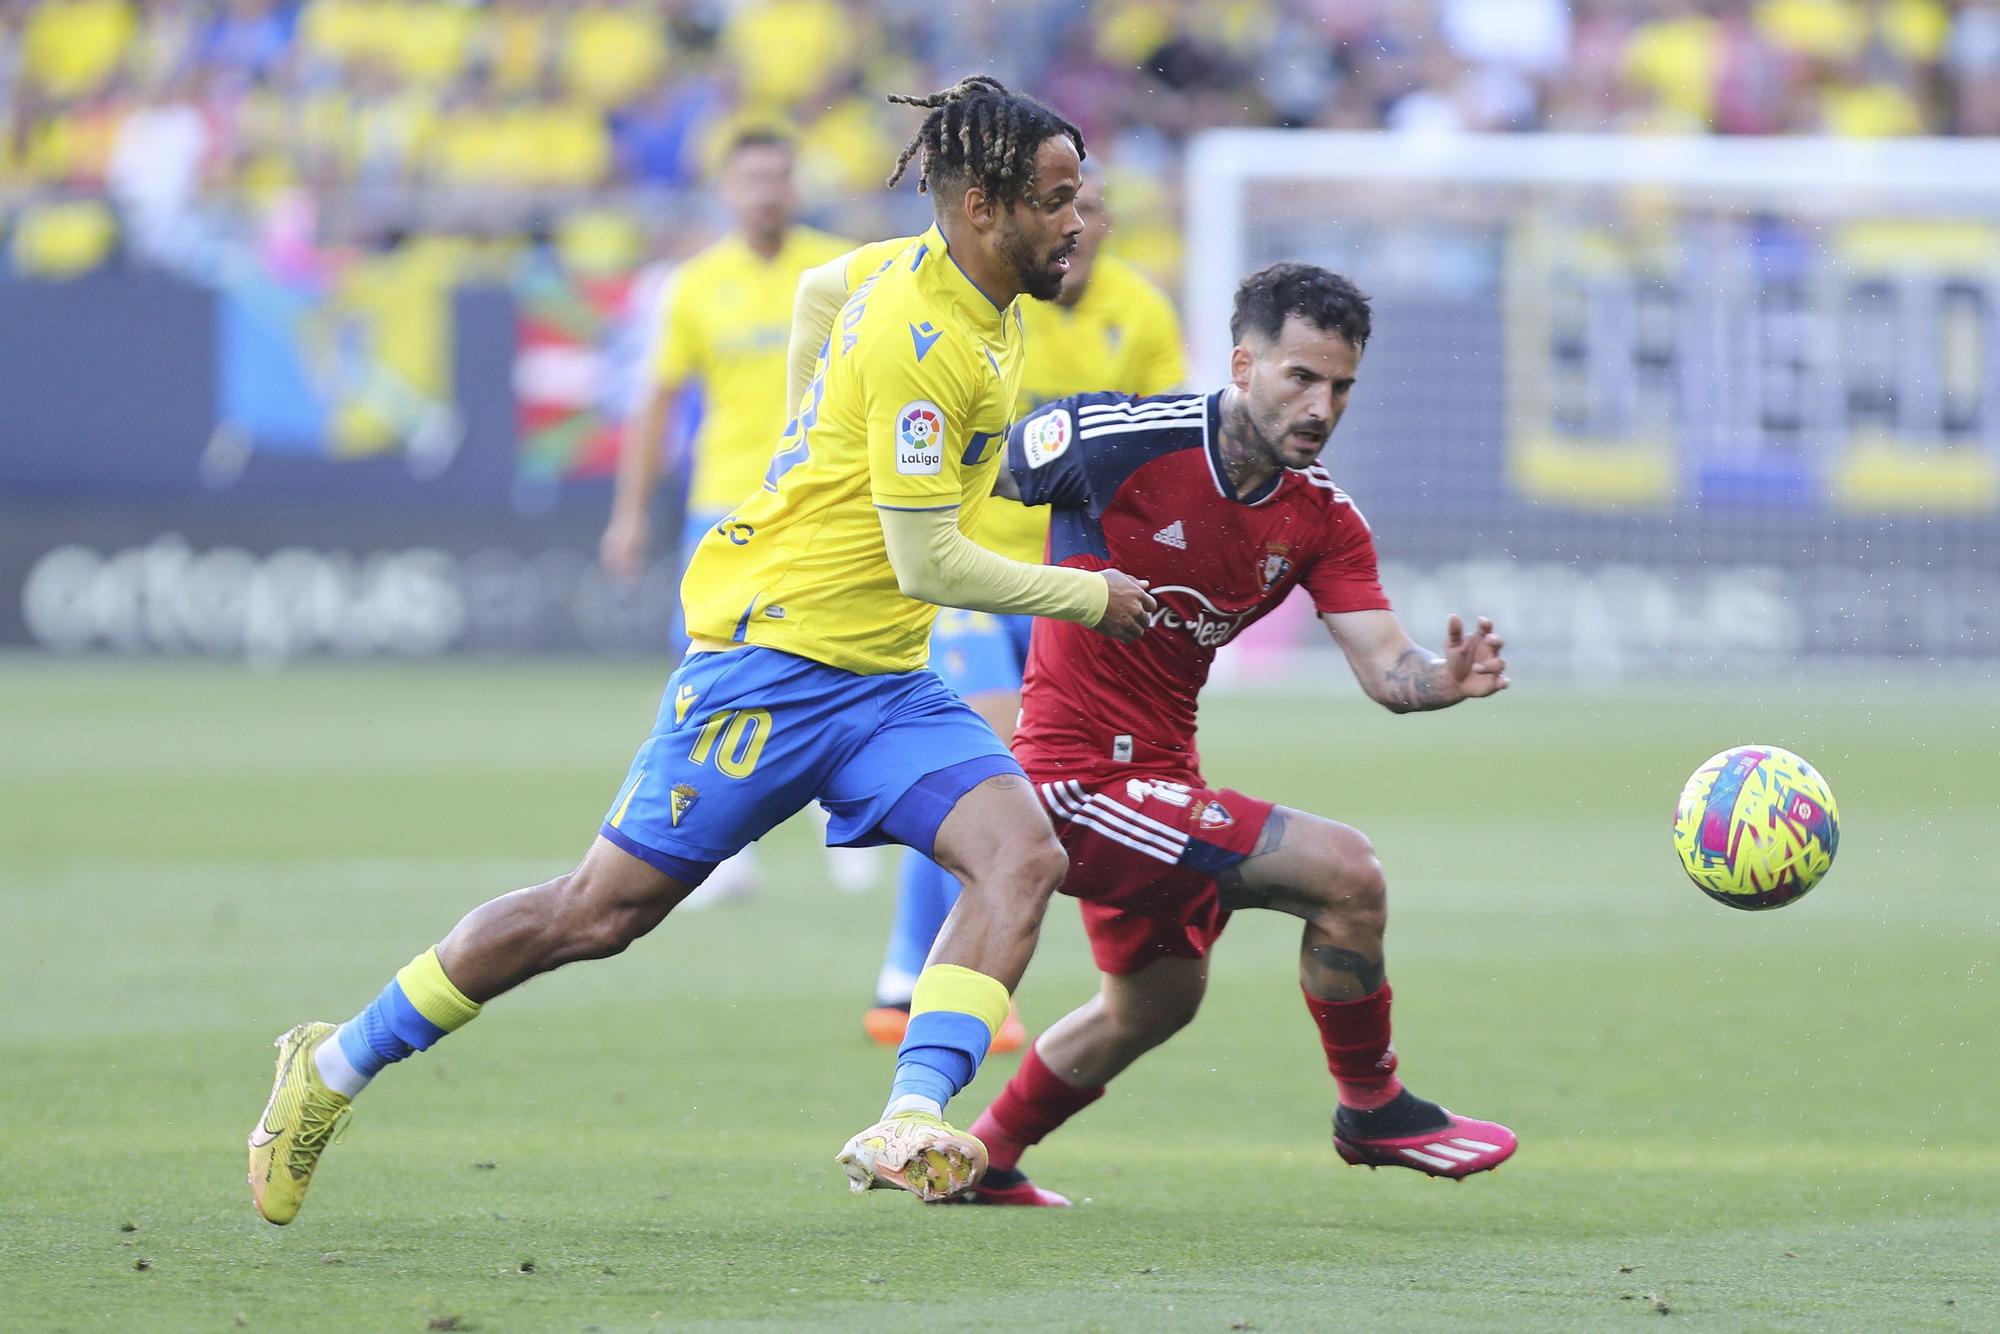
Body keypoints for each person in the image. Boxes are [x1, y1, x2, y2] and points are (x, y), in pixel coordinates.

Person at [245, 76, 1156, 1226]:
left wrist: (797, 439)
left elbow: (819, 289)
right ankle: (330, 1065)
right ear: (982, 206)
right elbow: (929, 562)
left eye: (1079, 196)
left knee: (1020, 854)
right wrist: (1086, 594)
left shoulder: (948, 283)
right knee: (595, 915)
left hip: (881, 681)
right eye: (1057, 199)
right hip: (769, 670)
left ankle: (913, 1112)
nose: (1078, 219)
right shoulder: (923, 335)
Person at [957, 262, 1518, 1205]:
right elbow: (949, 478)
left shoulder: (1321, 519)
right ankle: (1372, 1107)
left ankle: (980, 1159)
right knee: (1348, 874)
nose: (1322, 406)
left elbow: (1387, 666)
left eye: (1341, 386)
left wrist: (1442, 680)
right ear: (1241, 362)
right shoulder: (1113, 442)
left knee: (1157, 1002)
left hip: (1162, 776)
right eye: (1301, 377)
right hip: (1069, 783)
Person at [859, 168, 1188, 1048]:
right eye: (1058, 211)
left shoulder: (1142, 313)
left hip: (1069, 579)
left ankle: (904, 977)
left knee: (986, 778)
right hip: (968, 563)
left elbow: (1157, 451)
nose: (1072, 229)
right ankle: (953, 984)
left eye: (1086, 213)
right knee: (986, 765)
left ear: (1105, 225)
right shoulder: (1001, 298)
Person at [598, 126, 870, 904]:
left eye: (778, 178)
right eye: (751, 179)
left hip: (821, 501)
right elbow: (656, 404)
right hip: (726, 507)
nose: (766, 193)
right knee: (712, 674)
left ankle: (841, 821)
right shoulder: (692, 284)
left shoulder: (837, 269)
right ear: (726, 190)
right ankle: (720, 848)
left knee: (831, 656)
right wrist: (629, 513)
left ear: (797, 186)